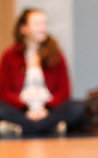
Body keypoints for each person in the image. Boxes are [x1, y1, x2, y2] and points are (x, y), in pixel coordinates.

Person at [0, 8, 84, 136]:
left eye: (45, 24)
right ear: (24, 29)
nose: (43, 28)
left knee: (76, 108)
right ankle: (48, 127)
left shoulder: (56, 55)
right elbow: (4, 91)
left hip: (48, 110)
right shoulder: (9, 56)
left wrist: (47, 108)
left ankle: (23, 127)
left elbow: (64, 91)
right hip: (21, 110)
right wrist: (25, 108)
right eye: (38, 24)